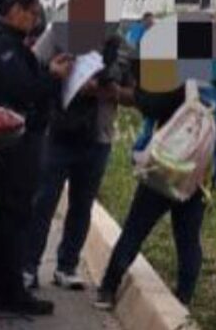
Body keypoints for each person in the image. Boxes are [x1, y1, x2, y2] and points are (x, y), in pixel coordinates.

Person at [96, 18, 216, 309]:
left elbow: (149, 105)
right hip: (199, 175)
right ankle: (184, 299)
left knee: (135, 229)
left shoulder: (177, 77)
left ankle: (108, 290)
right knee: (188, 240)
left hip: (165, 169)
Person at [0, 0, 74, 316]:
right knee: (12, 218)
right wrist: (54, 77)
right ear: (15, 10)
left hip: (4, 143)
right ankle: (10, 292)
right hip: (11, 147)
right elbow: (23, 90)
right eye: (33, 12)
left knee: (4, 218)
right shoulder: (1, 46)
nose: (35, 20)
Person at [24, 21, 136, 291]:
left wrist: (110, 92)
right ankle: (27, 267)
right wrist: (58, 75)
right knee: (42, 202)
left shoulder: (121, 48)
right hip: (57, 133)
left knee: (82, 205)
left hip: (97, 138)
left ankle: (67, 266)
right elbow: (30, 69)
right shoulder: (60, 33)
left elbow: (136, 95)